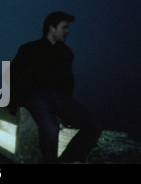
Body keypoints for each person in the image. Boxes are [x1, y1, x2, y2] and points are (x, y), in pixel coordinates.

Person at [8, 11, 102, 164]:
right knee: (51, 128)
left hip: (59, 98)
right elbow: (12, 75)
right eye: (64, 27)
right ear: (52, 28)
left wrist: (66, 104)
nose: (67, 31)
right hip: (35, 97)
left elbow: (68, 80)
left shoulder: (66, 53)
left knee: (94, 125)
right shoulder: (29, 49)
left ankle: (67, 160)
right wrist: (14, 101)